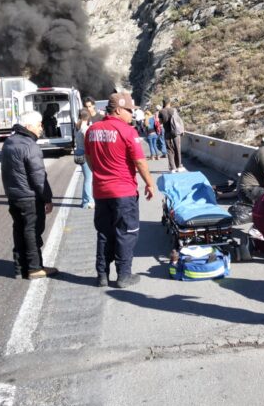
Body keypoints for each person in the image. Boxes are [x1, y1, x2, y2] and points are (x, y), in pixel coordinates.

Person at [85, 92, 156, 288]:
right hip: (123, 192)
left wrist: (100, 174)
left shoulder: (92, 130)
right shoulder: (128, 131)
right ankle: (124, 275)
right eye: (129, 110)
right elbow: (140, 161)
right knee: (126, 232)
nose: (132, 114)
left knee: (104, 233)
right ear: (118, 110)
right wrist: (149, 183)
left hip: (101, 191)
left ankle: (102, 275)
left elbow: (89, 159)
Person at [1, 110, 59, 280]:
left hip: (14, 195)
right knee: (32, 231)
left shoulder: (9, 141)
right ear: (28, 126)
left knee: (19, 230)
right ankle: (34, 268)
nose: (41, 128)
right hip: (29, 197)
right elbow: (38, 176)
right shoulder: (30, 145)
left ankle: (20, 267)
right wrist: (47, 198)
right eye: (38, 124)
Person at [158, 97, 185, 172]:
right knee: (177, 149)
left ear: (163, 103)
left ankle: (172, 168)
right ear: (169, 102)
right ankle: (179, 166)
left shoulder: (161, 111)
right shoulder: (174, 110)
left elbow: (160, 122)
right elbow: (178, 121)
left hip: (167, 132)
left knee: (169, 150)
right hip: (175, 132)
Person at [75, 109, 94, 209]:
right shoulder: (85, 128)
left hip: (78, 152)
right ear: (88, 117)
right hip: (84, 153)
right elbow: (88, 143)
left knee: (87, 177)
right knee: (88, 179)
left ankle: (84, 200)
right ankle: (88, 201)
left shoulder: (78, 127)